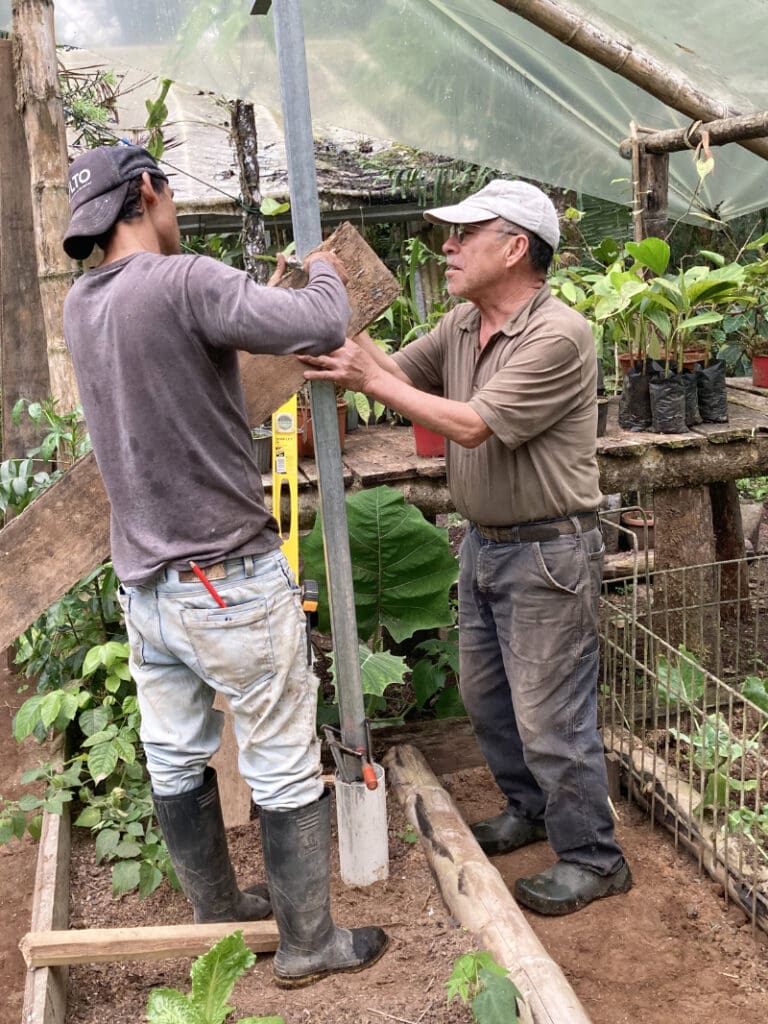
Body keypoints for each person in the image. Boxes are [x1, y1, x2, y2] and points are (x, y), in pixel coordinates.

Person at [61, 143, 387, 984]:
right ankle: (310, 944)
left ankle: (218, 915)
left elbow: (196, 351)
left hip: (147, 584)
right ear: (147, 192)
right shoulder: (182, 281)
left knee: (174, 752)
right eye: (168, 194)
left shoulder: (84, 305)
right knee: (278, 753)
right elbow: (319, 322)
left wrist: (263, 290)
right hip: (227, 578)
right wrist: (321, 273)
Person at [301, 179, 632, 916]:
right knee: (489, 701)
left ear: (515, 247)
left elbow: (474, 424)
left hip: (549, 552)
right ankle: (532, 809)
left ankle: (594, 856)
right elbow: (391, 374)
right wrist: (334, 309)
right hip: (485, 544)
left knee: (553, 717)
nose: (446, 246)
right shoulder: (461, 325)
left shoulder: (559, 335)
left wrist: (364, 375)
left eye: (463, 234)